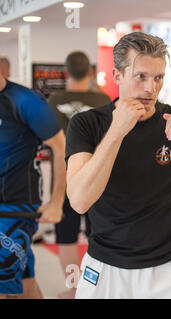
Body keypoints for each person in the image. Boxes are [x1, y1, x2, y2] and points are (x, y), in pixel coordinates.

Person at [65, 32, 171, 299]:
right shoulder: (87, 124)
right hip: (106, 265)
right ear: (118, 76)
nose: (151, 88)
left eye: (158, 77)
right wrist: (117, 130)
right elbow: (80, 201)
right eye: (141, 76)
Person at [47, 51, 111, 299]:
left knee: (66, 237)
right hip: (98, 178)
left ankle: (75, 290)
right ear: (91, 72)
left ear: (66, 72)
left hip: (66, 178)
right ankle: (96, 290)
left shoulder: (55, 100)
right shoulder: (103, 99)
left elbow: (56, 146)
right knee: (99, 237)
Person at [0, 73, 66, 299]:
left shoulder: (25, 101)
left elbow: (60, 147)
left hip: (14, 206)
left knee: (4, 288)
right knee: (26, 282)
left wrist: (57, 202)